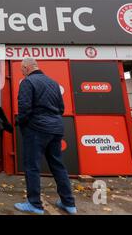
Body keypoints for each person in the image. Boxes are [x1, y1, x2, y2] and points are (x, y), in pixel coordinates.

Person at [15, 58, 77, 215]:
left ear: (27, 67)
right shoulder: (53, 83)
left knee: (32, 166)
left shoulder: (27, 82)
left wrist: (20, 123)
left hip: (36, 129)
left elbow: (24, 108)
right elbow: (61, 108)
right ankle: (68, 203)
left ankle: (34, 204)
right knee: (58, 165)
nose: (22, 72)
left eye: (22, 69)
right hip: (56, 128)